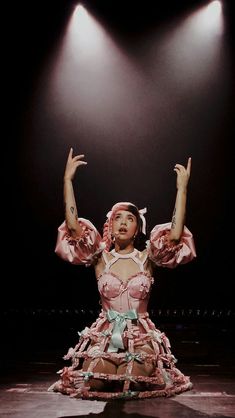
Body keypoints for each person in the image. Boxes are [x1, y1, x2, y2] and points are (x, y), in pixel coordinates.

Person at [49, 148, 196, 400]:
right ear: (110, 225)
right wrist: (67, 181)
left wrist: (181, 189)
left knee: (134, 380)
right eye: (118, 218)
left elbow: (174, 236)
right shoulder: (100, 257)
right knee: (96, 382)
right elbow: (73, 228)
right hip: (105, 335)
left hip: (140, 338)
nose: (123, 223)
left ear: (138, 227)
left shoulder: (147, 258)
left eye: (130, 218)